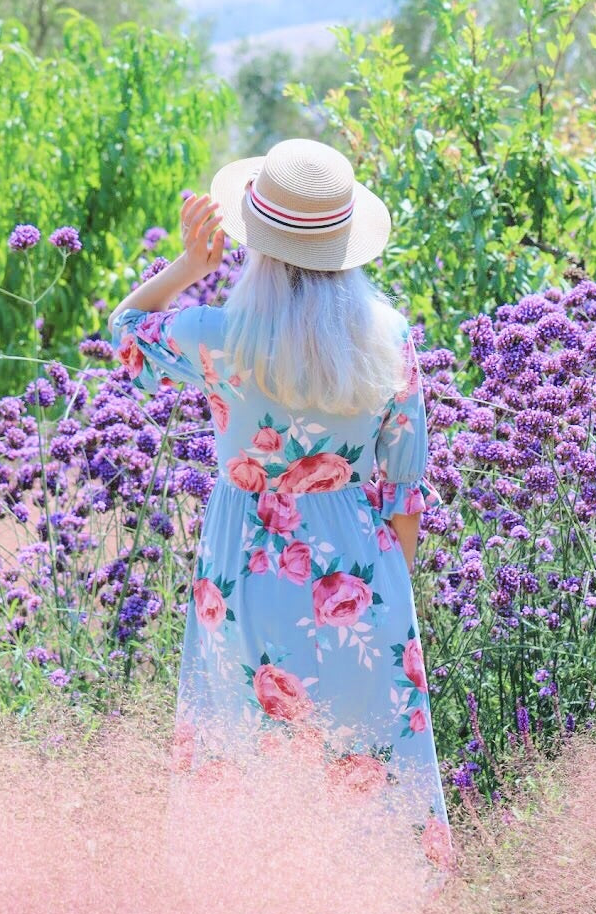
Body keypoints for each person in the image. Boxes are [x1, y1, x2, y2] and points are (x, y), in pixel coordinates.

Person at [108, 138, 452, 858]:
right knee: (365, 769)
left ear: (255, 243)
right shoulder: (389, 340)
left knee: (250, 758)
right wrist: (388, 590)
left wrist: (189, 267)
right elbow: (406, 491)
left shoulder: (217, 336)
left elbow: (125, 336)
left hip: (248, 577)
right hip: (362, 582)